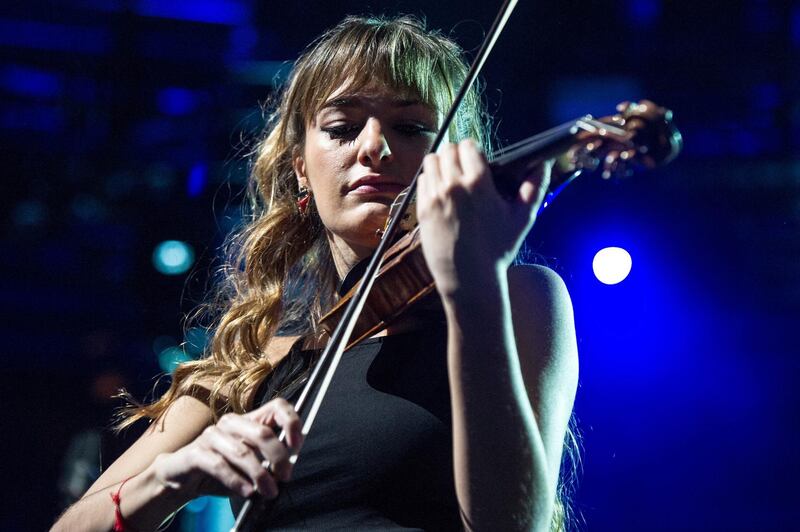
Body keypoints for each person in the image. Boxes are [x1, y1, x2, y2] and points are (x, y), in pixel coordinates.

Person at [53, 14, 579, 532]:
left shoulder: (517, 298)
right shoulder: (257, 363)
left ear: (455, 158)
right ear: (301, 165)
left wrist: (472, 283)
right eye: (342, 128)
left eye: (413, 127)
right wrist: (172, 478)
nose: (374, 147)